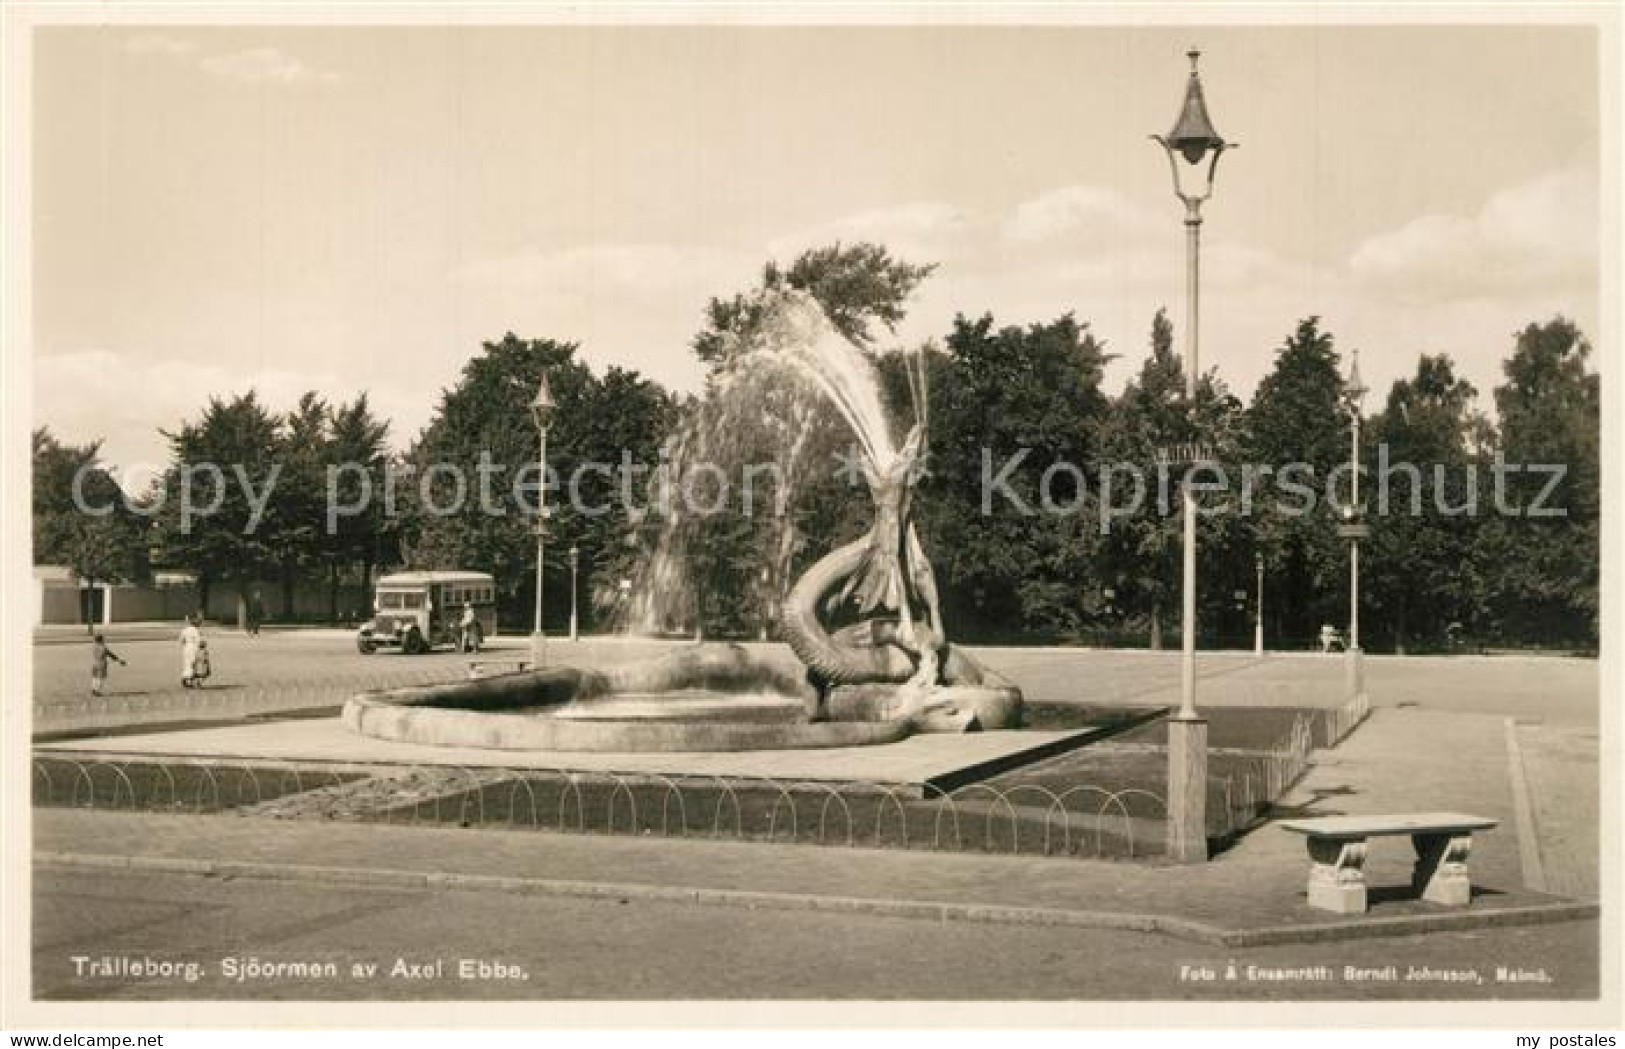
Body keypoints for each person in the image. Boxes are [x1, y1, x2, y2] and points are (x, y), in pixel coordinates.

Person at [180, 614, 203, 688]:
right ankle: (191, 679)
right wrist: (203, 645)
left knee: (187, 663)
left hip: (186, 648)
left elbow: (182, 640)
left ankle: (185, 677)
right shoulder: (195, 630)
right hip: (193, 648)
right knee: (193, 664)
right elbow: (199, 641)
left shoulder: (185, 630)